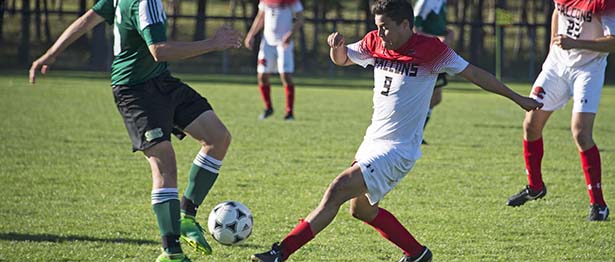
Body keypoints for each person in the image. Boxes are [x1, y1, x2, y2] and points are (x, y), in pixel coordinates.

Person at [251, 1, 542, 261]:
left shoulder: (432, 50)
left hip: (398, 149)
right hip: (372, 142)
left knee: (336, 190)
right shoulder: (374, 43)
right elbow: (342, 59)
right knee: (360, 210)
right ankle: (417, 253)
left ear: (405, 25)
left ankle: (281, 253)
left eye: (386, 28)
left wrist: (518, 98)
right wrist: (335, 47)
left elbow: (477, 75)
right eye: (377, 27)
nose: (380, 34)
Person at [28, 0, 242, 261]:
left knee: (217, 137)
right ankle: (171, 252)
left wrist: (52, 53)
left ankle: (186, 216)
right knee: (164, 163)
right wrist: (213, 43)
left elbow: (87, 20)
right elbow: (159, 50)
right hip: (134, 90)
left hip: (161, 81)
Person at [505, 0, 615, 222]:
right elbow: (557, 13)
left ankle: (598, 204)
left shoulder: (606, 2)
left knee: (581, 133)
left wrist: (576, 43)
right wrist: (553, 47)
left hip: (588, 70)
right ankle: (535, 187)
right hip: (557, 66)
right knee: (531, 124)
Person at [244, 0, 305, 121]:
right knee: (262, 76)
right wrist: (251, 34)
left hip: (284, 44)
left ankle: (289, 112)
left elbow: (300, 19)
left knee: (286, 76)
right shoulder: (266, 1)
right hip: (267, 44)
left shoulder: (292, 1)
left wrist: (290, 35)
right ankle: (268, 108)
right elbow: (260, 16)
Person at [412, 0, 453, 144]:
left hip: (437, 54)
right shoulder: (425, 2)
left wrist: (447, 32)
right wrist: (437, 39)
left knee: (435, 97)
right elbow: (414, 29)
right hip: (426, 54)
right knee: (423, 97)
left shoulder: (441, 2)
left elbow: (435, 26)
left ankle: (416, 134)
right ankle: (413, 134)